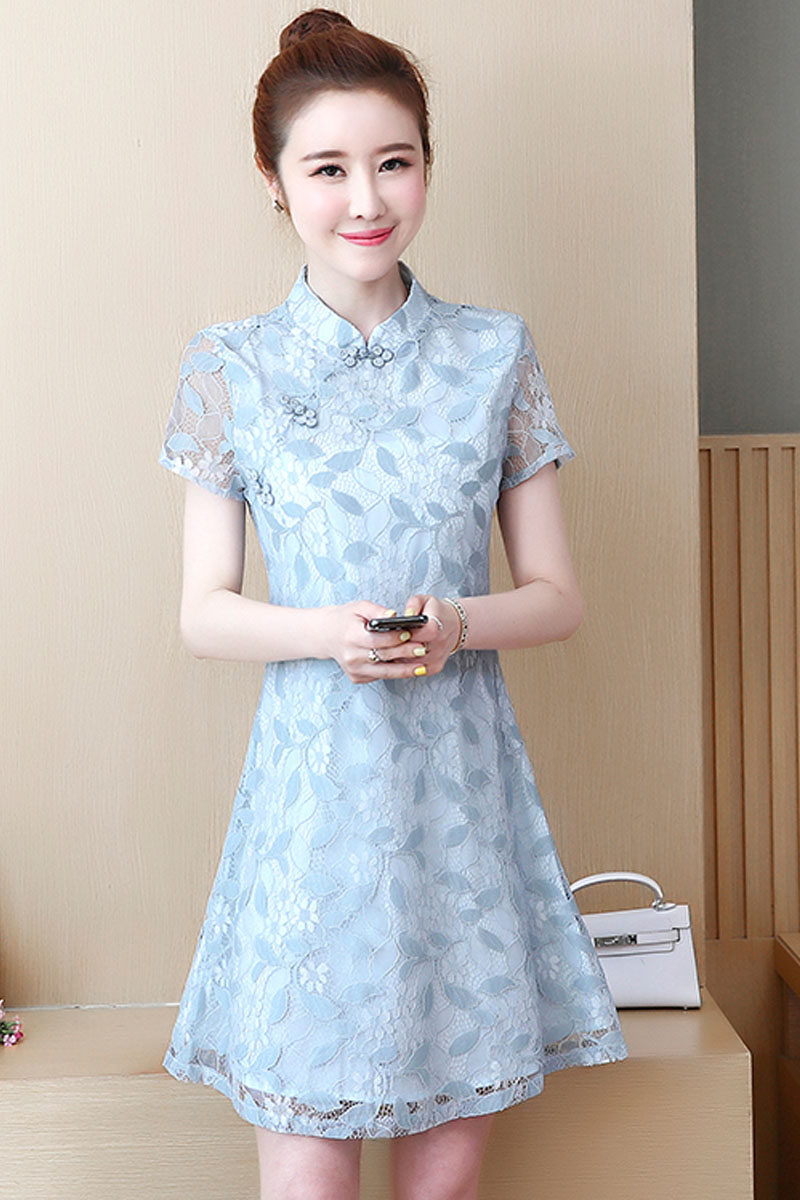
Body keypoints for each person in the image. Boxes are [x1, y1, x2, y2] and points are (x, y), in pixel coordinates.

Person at [157, 9, 629, 1199]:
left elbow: (556, 597)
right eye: (327, 168)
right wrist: (326, 634)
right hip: (308, 816)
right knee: (307, 1184)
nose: (365, 198)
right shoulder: (230, 366)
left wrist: (455, 624)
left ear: (425, 166)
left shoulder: (493, 354)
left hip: (460, 816)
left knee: (444, 1188)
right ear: (273, 179)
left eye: (393, 162)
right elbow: (203, 612)